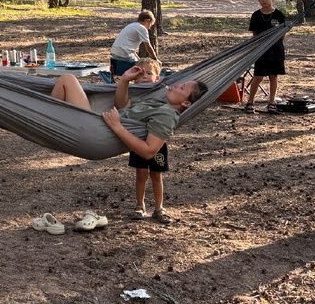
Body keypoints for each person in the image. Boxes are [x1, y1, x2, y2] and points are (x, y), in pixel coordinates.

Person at [50, 64, 208, 225]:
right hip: (98, 126)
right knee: (66, 81)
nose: (176, 84)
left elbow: (148, 152)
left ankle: (50, 123)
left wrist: (117, 126)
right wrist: (125, 80)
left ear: (186, 103)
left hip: (97, 132)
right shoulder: (159, 104)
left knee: (67, 80)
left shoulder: (167, 116)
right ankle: (51, 123)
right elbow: (122, 105)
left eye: (181, 87)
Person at [243, 0, 287, 114]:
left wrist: (276, 45)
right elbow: (255, 35)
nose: (264, 0)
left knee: (273, 76)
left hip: (276, 50)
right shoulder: (256, 15)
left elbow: (282, 34)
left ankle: (271, 102)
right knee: (258, 76)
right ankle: (250, 102)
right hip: (261, 51)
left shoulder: (279, 15)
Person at [109, 10, 158, 79]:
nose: (149, 27)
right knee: (145, 68)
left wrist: (138, 58)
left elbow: (129, 46)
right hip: (124, 55)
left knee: (140, 62)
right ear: (147, 20)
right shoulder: (142, 28)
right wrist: (155, 59)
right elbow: (148, 46)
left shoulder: (132, 25)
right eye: (150, 24)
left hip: (115, 54)